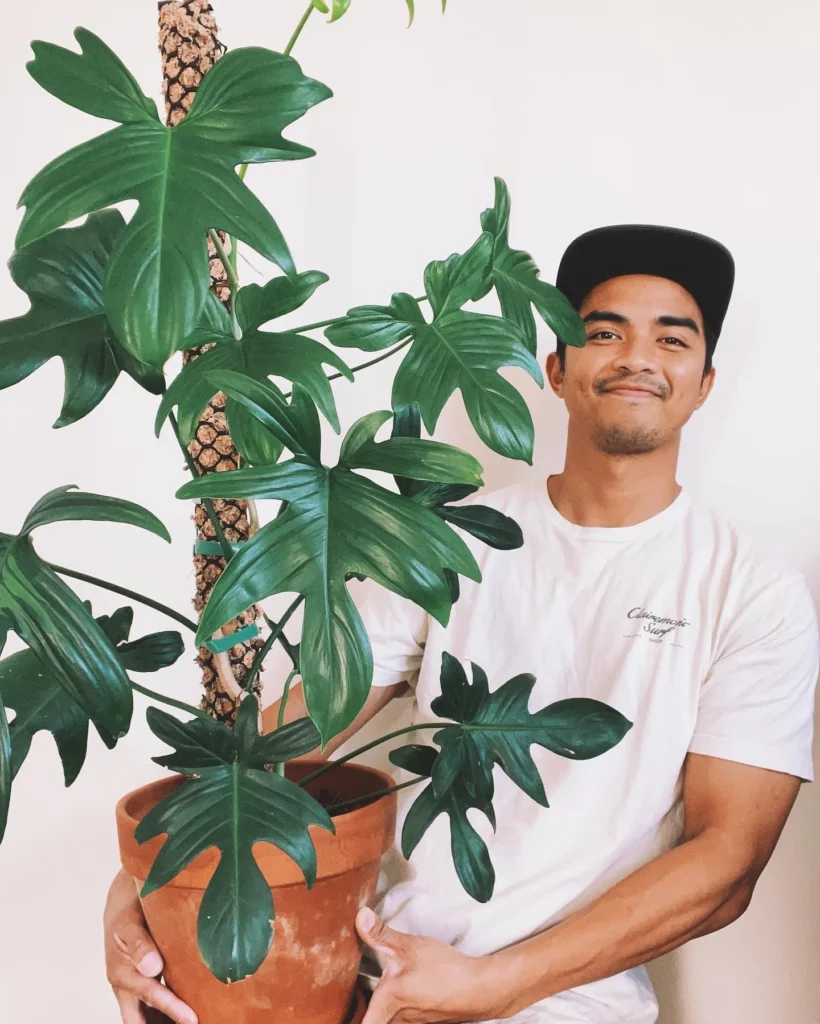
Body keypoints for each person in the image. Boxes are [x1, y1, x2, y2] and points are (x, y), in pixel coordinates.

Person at [105, 225, 819, 1024]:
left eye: (671, 338)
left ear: (705, 381)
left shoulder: (752, 589)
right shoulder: (449, 543)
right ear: (556, 368)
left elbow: (728, 863)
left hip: (569, 1002)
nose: (637, 357)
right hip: (373, 973)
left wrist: (492, 986)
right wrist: (138, 895)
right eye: (604, 332)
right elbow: (290, 740)